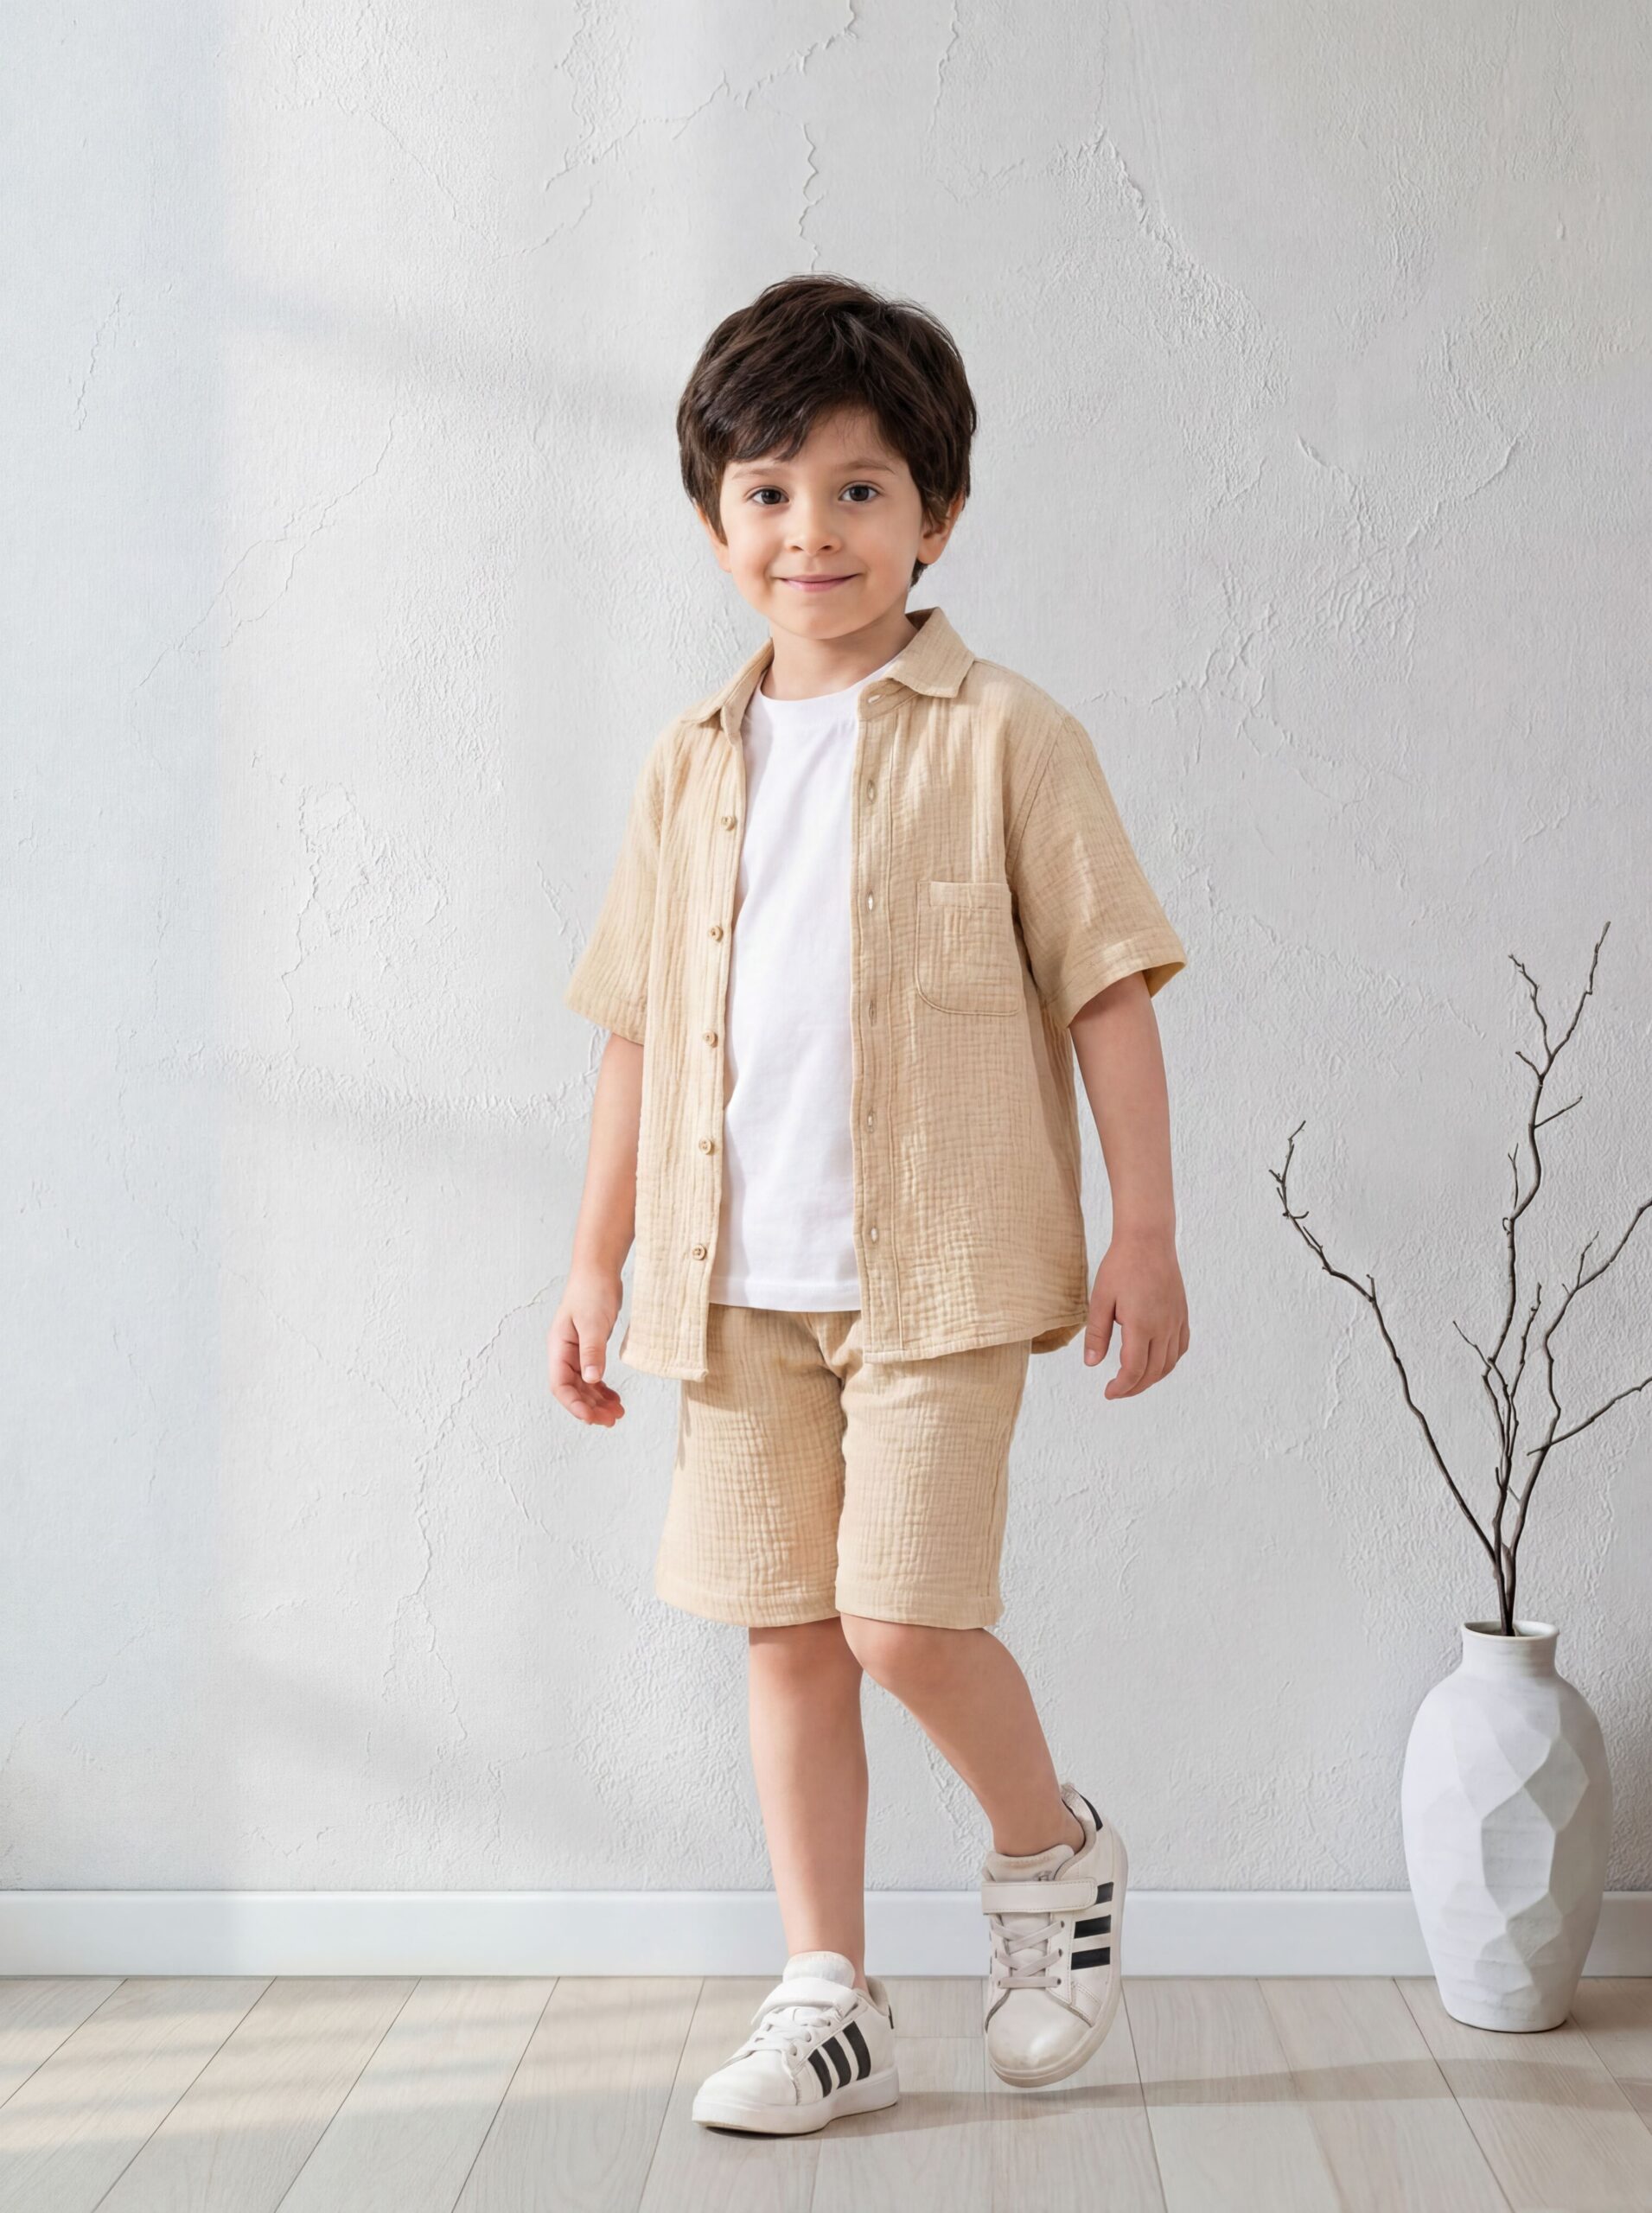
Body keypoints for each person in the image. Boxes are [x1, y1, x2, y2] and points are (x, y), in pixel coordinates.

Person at [552, 273, 1190, 2136]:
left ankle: (1048, 1859)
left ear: (937, 515)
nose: (809, 532)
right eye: (767, 492)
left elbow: (1107, 990)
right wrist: (592, 1260)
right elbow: (633, 1029)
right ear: (713, 520)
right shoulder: (688, 763)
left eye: (857, 489)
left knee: (900, 1619)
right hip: (730, 1289)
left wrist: (1145, 1229)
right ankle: (826, 1993)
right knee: (786, 1631)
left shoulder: (1007, 735)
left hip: (942, 1277)